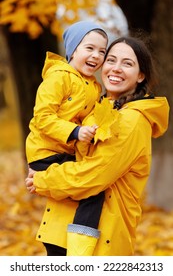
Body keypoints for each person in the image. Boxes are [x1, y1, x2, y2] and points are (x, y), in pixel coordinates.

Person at [26, 36, 169, 256]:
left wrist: (41, 179)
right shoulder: (99, 106)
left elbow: (93, 176)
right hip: (62, 230)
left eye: (127, 63)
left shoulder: (132, 120)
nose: (116, 68)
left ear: (141, 75)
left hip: (99, 242)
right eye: (111, 60)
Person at [25, 20, 108, 256]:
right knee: (91, 188)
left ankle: (66, 248)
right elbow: (42, 117)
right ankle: (79, 251)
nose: (96, 55)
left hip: (64, 153)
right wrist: (75, 132)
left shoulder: (94, 86)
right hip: (46, 153)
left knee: (82, 193)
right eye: (89, 48)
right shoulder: (58, 77)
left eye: (102, 51)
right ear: (73, 50)